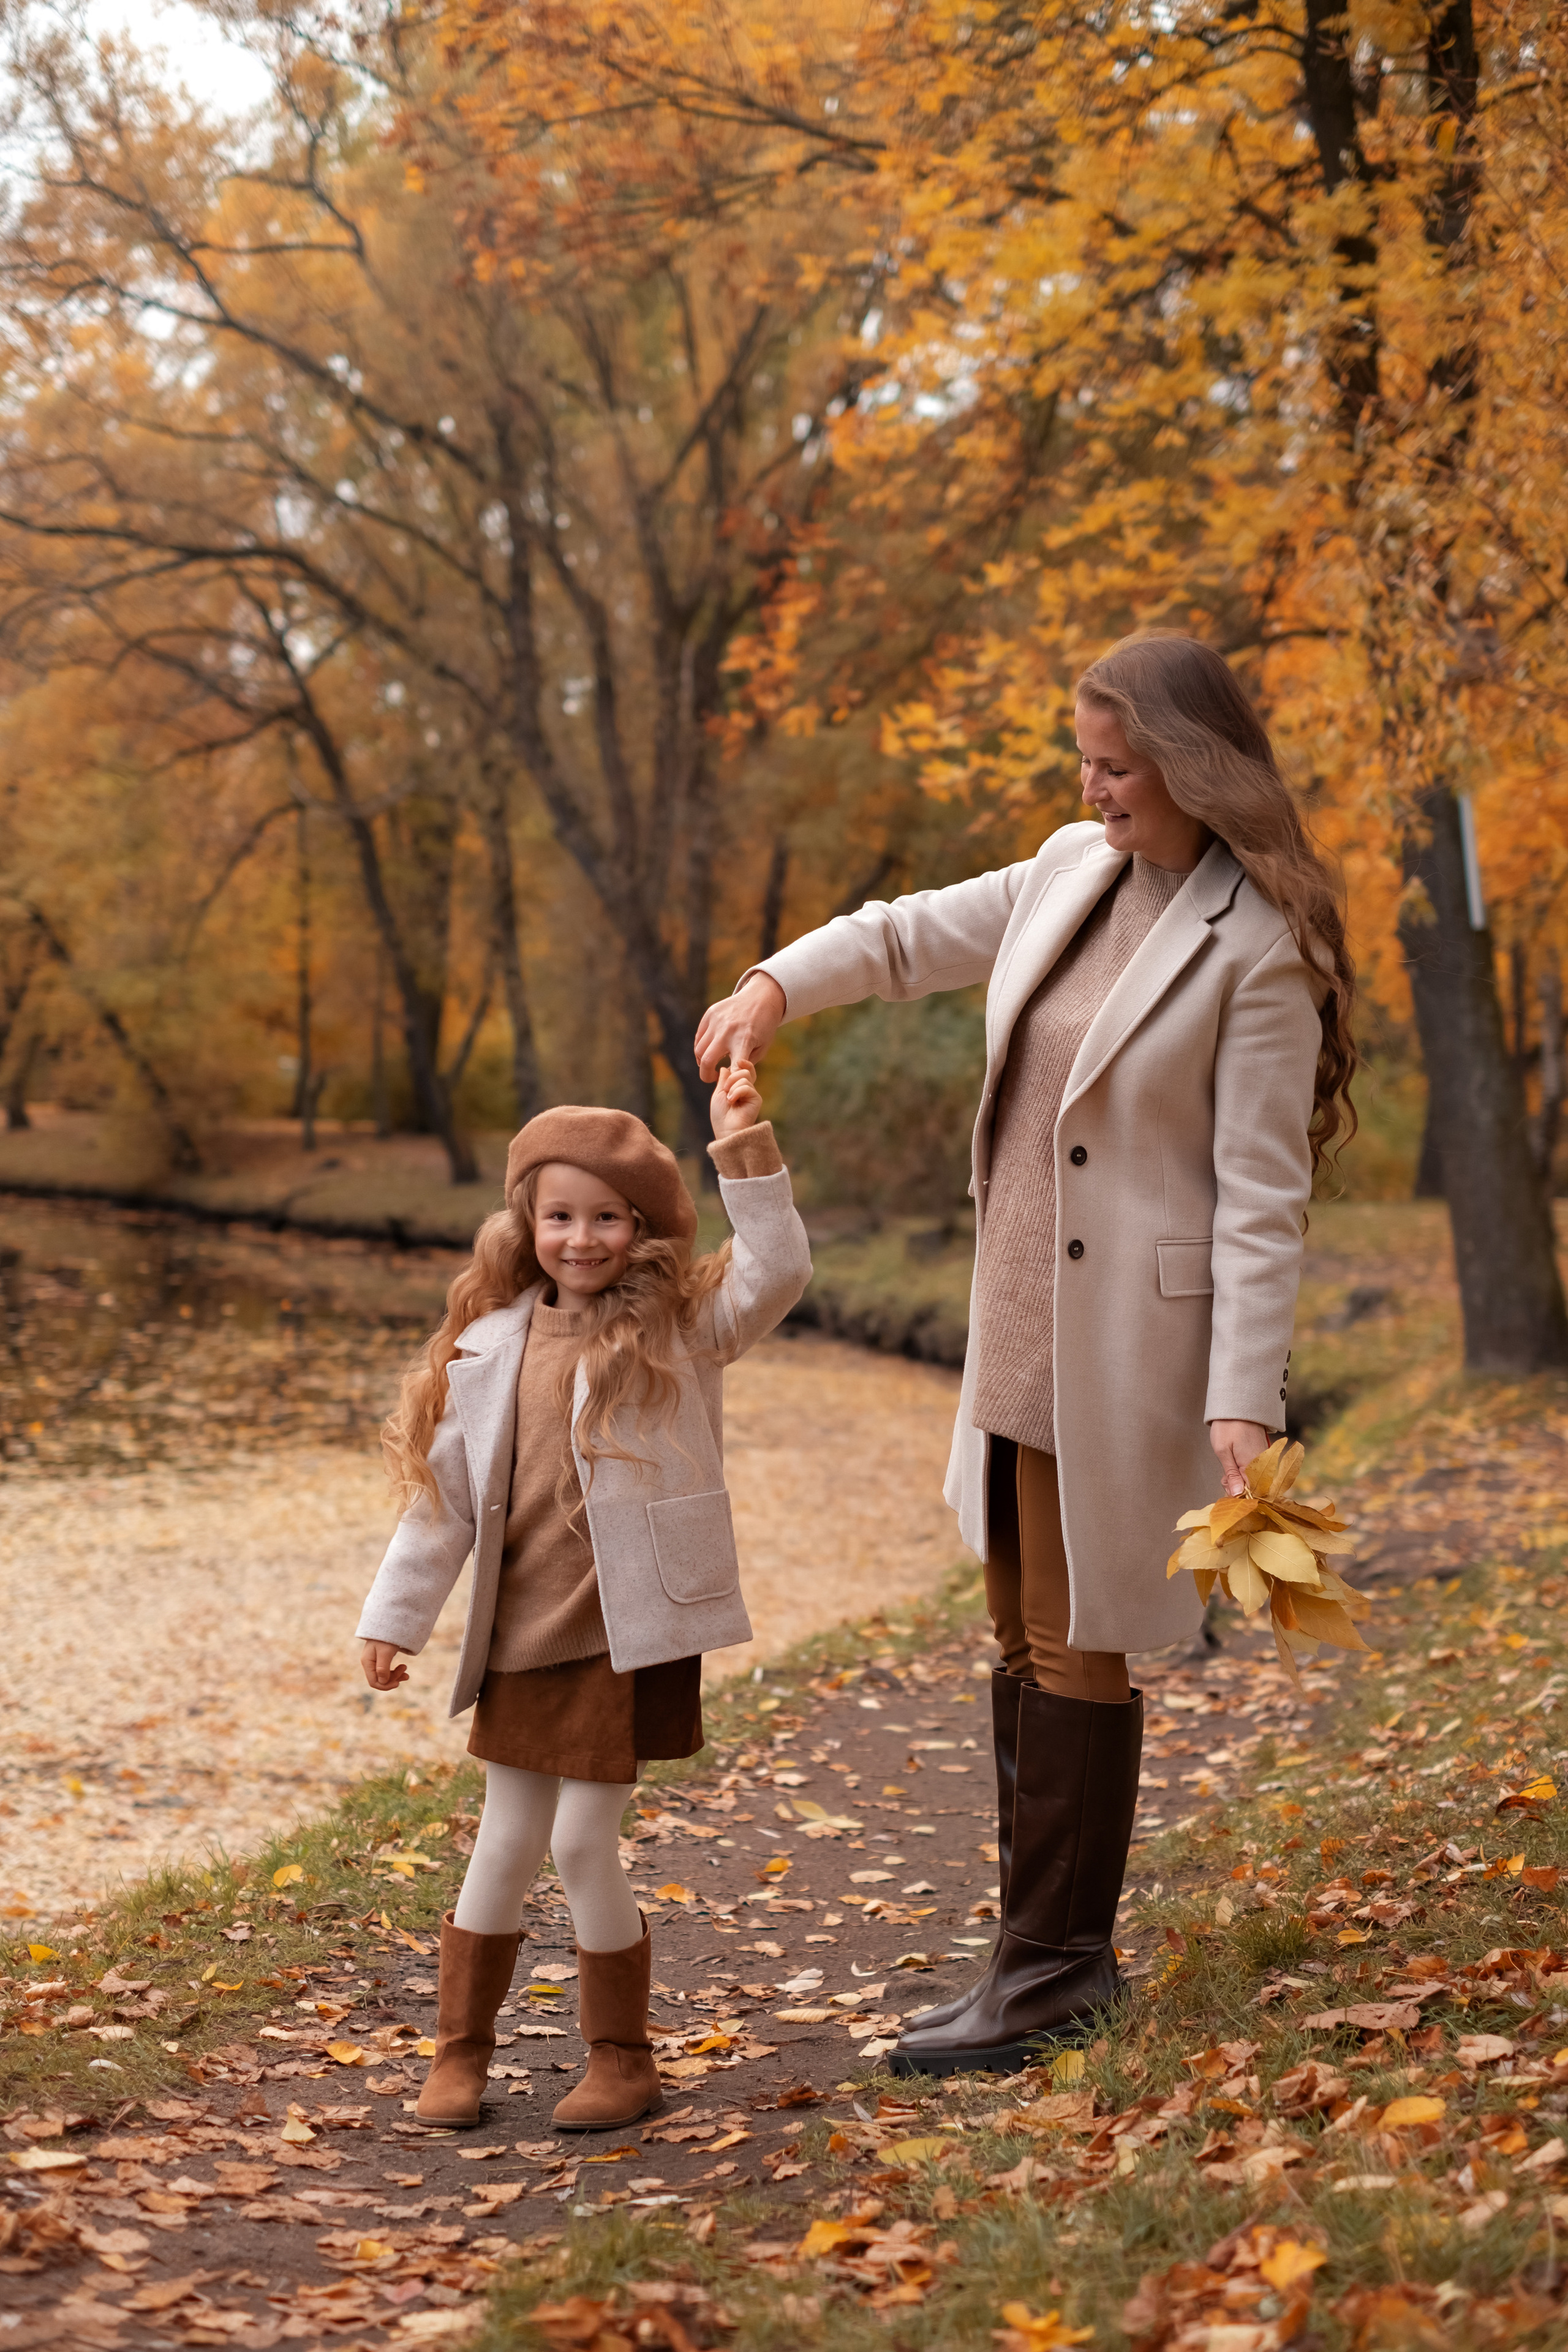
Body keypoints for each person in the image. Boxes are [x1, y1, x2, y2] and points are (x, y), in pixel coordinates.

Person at [695, 633, 1356, 2073]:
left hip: (1128, 1345)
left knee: (1076, 1642)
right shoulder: (1069, 867)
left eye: (1117, 767)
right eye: (1086, 761)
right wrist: (769, 989)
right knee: (1017, 1634)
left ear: (1189, 767)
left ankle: (1055, 1972)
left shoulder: (1255, 946)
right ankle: (1035, 1959)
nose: (1094, 786)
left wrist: (1244, 1397)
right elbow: (902, 936)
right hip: (1011, 1321)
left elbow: (1261, 1196)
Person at [355, 1070, 811, 2130]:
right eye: (560, 1215)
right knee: (504, 1840)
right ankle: (459, 2056)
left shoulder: (683, 1326)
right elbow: (445, 1507)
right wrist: (394, 1618)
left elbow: (778, 1268)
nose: (582, 1238)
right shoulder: (493, 1344)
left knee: (577, 1844)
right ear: (527, 1222)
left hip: (628, 1629)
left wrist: (746, 1149)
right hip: (523, 1633)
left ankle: (623, 2058)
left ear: (639, 1227)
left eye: (608, 1218)